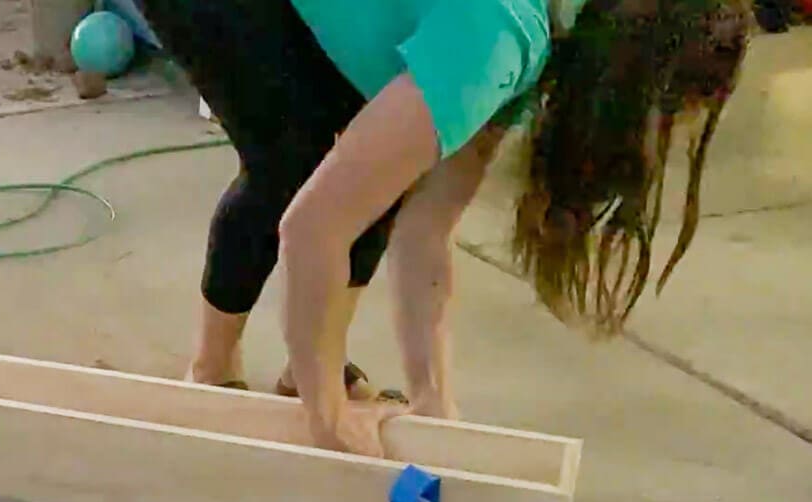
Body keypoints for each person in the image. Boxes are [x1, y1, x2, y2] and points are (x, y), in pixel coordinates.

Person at [139, 0, 754, 456]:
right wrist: (325, 416)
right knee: (292, 163)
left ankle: (306, 368)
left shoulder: (537, 39)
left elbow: (427, 228)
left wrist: (433, 399)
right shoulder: (500, 40)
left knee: (376, 171)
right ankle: (213, 374)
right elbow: (311, 230)